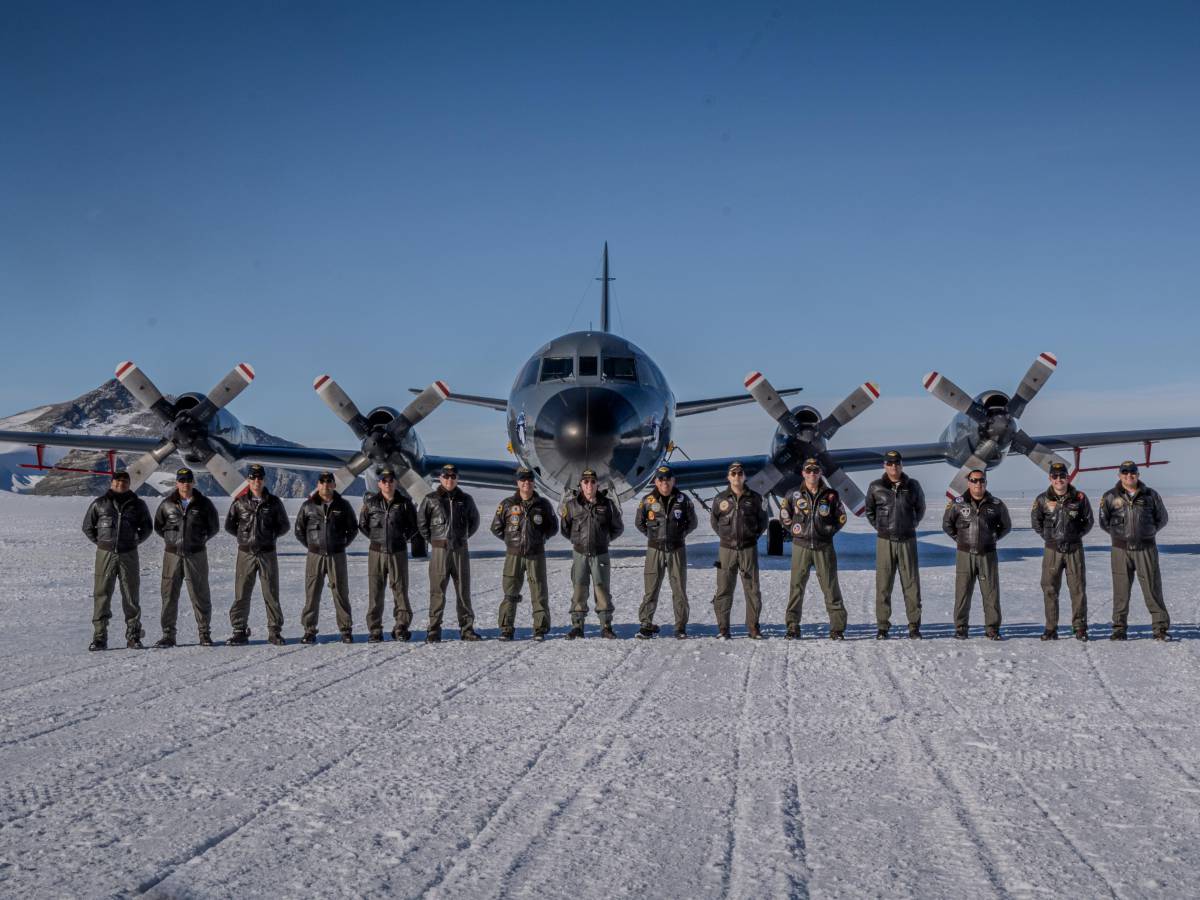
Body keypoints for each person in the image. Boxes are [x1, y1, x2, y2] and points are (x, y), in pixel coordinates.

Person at [1098, 460, 1171, 640]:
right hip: (1120, 551)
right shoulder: (1110, 496)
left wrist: (1147, 533)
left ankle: (1160, 628)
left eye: (1132, 472)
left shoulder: (1150, 495)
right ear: (1119, 475)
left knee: (1152, 587)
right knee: (1121, 590)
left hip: (1146, 549)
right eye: (1125, 472)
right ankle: (1119, 628)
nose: (1129, 475)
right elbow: (1103, 521)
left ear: (1138, 474)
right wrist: (1120, 536)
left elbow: (1162, 518)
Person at [81, 469, 153, 650]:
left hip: (129, 554)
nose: (120, 484)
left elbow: (147, 528)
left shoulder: (138, 505)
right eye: (117, 481)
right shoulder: (100, 504)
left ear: (129, 484)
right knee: (102, 595)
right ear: (111, 483)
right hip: (105, 555)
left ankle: (133, 636)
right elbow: (88, 527)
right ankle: (99, 638)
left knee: (130, 596)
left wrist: (135, 541)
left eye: (124, 481)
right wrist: (102, 543)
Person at [780, 458, 849, 640]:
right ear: (803, 473)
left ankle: (837, 628)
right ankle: (792, 626)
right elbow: (784, 515)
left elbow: (841, 517)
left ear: (820, 473)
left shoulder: (831, 495)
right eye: (808, 470)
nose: (812, 473)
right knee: (796, 587)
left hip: (823, 546)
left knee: (830, 587)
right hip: (801, 546)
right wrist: (796, 531)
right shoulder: (792, 494)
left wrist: (828, 531)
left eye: (815, 470)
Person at [152, 467, 220, 648]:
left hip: (196, 554)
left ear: (193, 482)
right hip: (172, 555)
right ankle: (168, 635)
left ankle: (204, 633)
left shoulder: (204, 504)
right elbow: (159, 526)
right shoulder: (167, 504)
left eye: (188, 480)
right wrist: (172, 541)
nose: (185, 484)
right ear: (176, 483)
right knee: (169, 594)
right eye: (182, 481)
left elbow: (213, 527)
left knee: (200, 594)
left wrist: (198, 540)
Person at [225, 463, 290, 645]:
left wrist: (269, 536)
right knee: (242, 592)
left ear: (264, 480)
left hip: (267, 553)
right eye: (253, 477)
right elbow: (230, 525)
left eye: (259, 477)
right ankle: (239, 630)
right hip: (246, 553)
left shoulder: (274, 502)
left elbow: (284, 525)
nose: (256, 481)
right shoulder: (239, 503)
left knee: (270, 592)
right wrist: (244, 537)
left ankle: (274, 631)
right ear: (248, 480)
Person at [942, 469, 1012, 639]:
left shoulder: (996, 504)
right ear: (969, 483)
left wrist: (994, 536)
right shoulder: (958, 503)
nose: (978, 484)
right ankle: (960, 628)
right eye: (974, 480)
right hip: (965, 555)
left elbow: (1006, 526)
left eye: (981, 481)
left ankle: (992, 629)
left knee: (991, 592)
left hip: (987, 554)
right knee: (963, 592)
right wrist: (960, 540)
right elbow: (947, 524)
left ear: (986, 482)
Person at [864, 450, 926, 639]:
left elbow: (920, 509)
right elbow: (870, 511)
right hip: (885, 541)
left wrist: (910, 525)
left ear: (901, 465)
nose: (893, 467)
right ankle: (882, 626)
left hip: (907, 540)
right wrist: (881, 527)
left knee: (911, 585)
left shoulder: (913, 486)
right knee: (883, 585)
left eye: (897, 463)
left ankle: (914, 626)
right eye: (890, 464)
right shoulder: (876, 487)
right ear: (885, 465)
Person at [417, 463, 481, 643]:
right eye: (446, 476)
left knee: (463, 591)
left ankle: (467, 629)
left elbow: (474, 522)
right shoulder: (430, 499)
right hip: (439, 551)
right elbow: (422, 524)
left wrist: (462, 537)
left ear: (457, 478)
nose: (450, 479)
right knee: (437, 590)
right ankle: (434, 630)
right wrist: (435, 541)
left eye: (453, 476)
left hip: (460, 550)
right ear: (441, 478)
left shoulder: (466, 499)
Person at [492, 468, 558, 641]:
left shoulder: (543, 504)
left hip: (536, 554)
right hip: (513, 555)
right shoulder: (507, 504)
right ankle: (506, 628)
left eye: (529, 480)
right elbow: (496, 527)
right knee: (510, 592)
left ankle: (540, 629)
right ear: (517, 482)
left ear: (534, 482)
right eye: (523, 480)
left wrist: (540, 538)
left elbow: (552, 527)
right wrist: (511, 541)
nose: (526, 483)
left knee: (539, 591)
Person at [1030, 461, 1094, 641]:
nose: (1059, 480)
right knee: (1049, 588)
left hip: (1074, 550)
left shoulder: (1079, 498)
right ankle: (1051, 628)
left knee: (1078, 589)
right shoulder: (1042, 499)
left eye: (1062, 476)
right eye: (1055, 476)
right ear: (1050, 478)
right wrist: (1049, 538)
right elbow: (1036, 522)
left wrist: (1075, 535)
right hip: (1052, 551)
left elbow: (1088, 521)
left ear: (1068, 477)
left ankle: (1079, 628)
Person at [294, 471, 358, 644]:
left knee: (340, 592)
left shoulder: (343, 505)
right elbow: (299, 530)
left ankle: (345, 629)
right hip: (315, 556)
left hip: (336, 555)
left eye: (329, 482)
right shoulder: (308, 506)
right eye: (322, 482)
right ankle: (309, 630)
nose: (326, 485)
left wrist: (341, 544)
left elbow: (352, 529)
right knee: (312, 593)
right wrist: (312, 546)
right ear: (318, 484)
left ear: (334, 485)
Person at [634, 465, 698, 639]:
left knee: (679, 589)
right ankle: (646, 624)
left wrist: (680, 535)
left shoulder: (683, 500)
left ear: (673, 480)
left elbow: (692, 523)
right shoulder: (648, 501)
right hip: (655, 550)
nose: (665, 483)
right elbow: (639, 522)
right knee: (651, 588)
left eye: (668, 479)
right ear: (656, 481)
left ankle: (680, 626)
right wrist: (652, 536)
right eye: (661, 479)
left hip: (677, 549)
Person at [559, 468, 623, 639]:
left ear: (597, 484)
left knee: (602, 590)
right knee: (579, 589)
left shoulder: (607, 505)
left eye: (593, 482)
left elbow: (618, 528)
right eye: (585, 482)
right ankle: (577, 626)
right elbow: (565, 528)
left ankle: (606, 626)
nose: (589, 485)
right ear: (580, 484)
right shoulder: (571, 506)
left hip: (600, 554)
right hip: (580, 554)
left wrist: (604, 539)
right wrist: (577, 540)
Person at [358, 467, 419, 642]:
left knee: (400, 590)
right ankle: (375, 630)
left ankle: (401, 627)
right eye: (384, 480)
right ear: (379, 483)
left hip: (398, 552)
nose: (388, 483)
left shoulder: (405, 503)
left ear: (396, 482)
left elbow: (413, 526)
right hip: (376, 552)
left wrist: (400, 538)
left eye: (391, 480)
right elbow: (363, 525)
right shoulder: (371, 504)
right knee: (375, 591)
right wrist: (377, 539)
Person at [709, 461, 769, 639]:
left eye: (740, 473)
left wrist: (751, 537)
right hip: (726, 550)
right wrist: (726, 538)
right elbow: (714, 522)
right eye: (733, 473)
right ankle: (723, 629)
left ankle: (753, 627)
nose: (737, 476)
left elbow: (763, 522)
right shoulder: (720, 499)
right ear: (728, 477)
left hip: (748, 549)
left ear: (744, 476)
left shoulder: (756, 499)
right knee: (724, 589)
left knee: (752, 589)